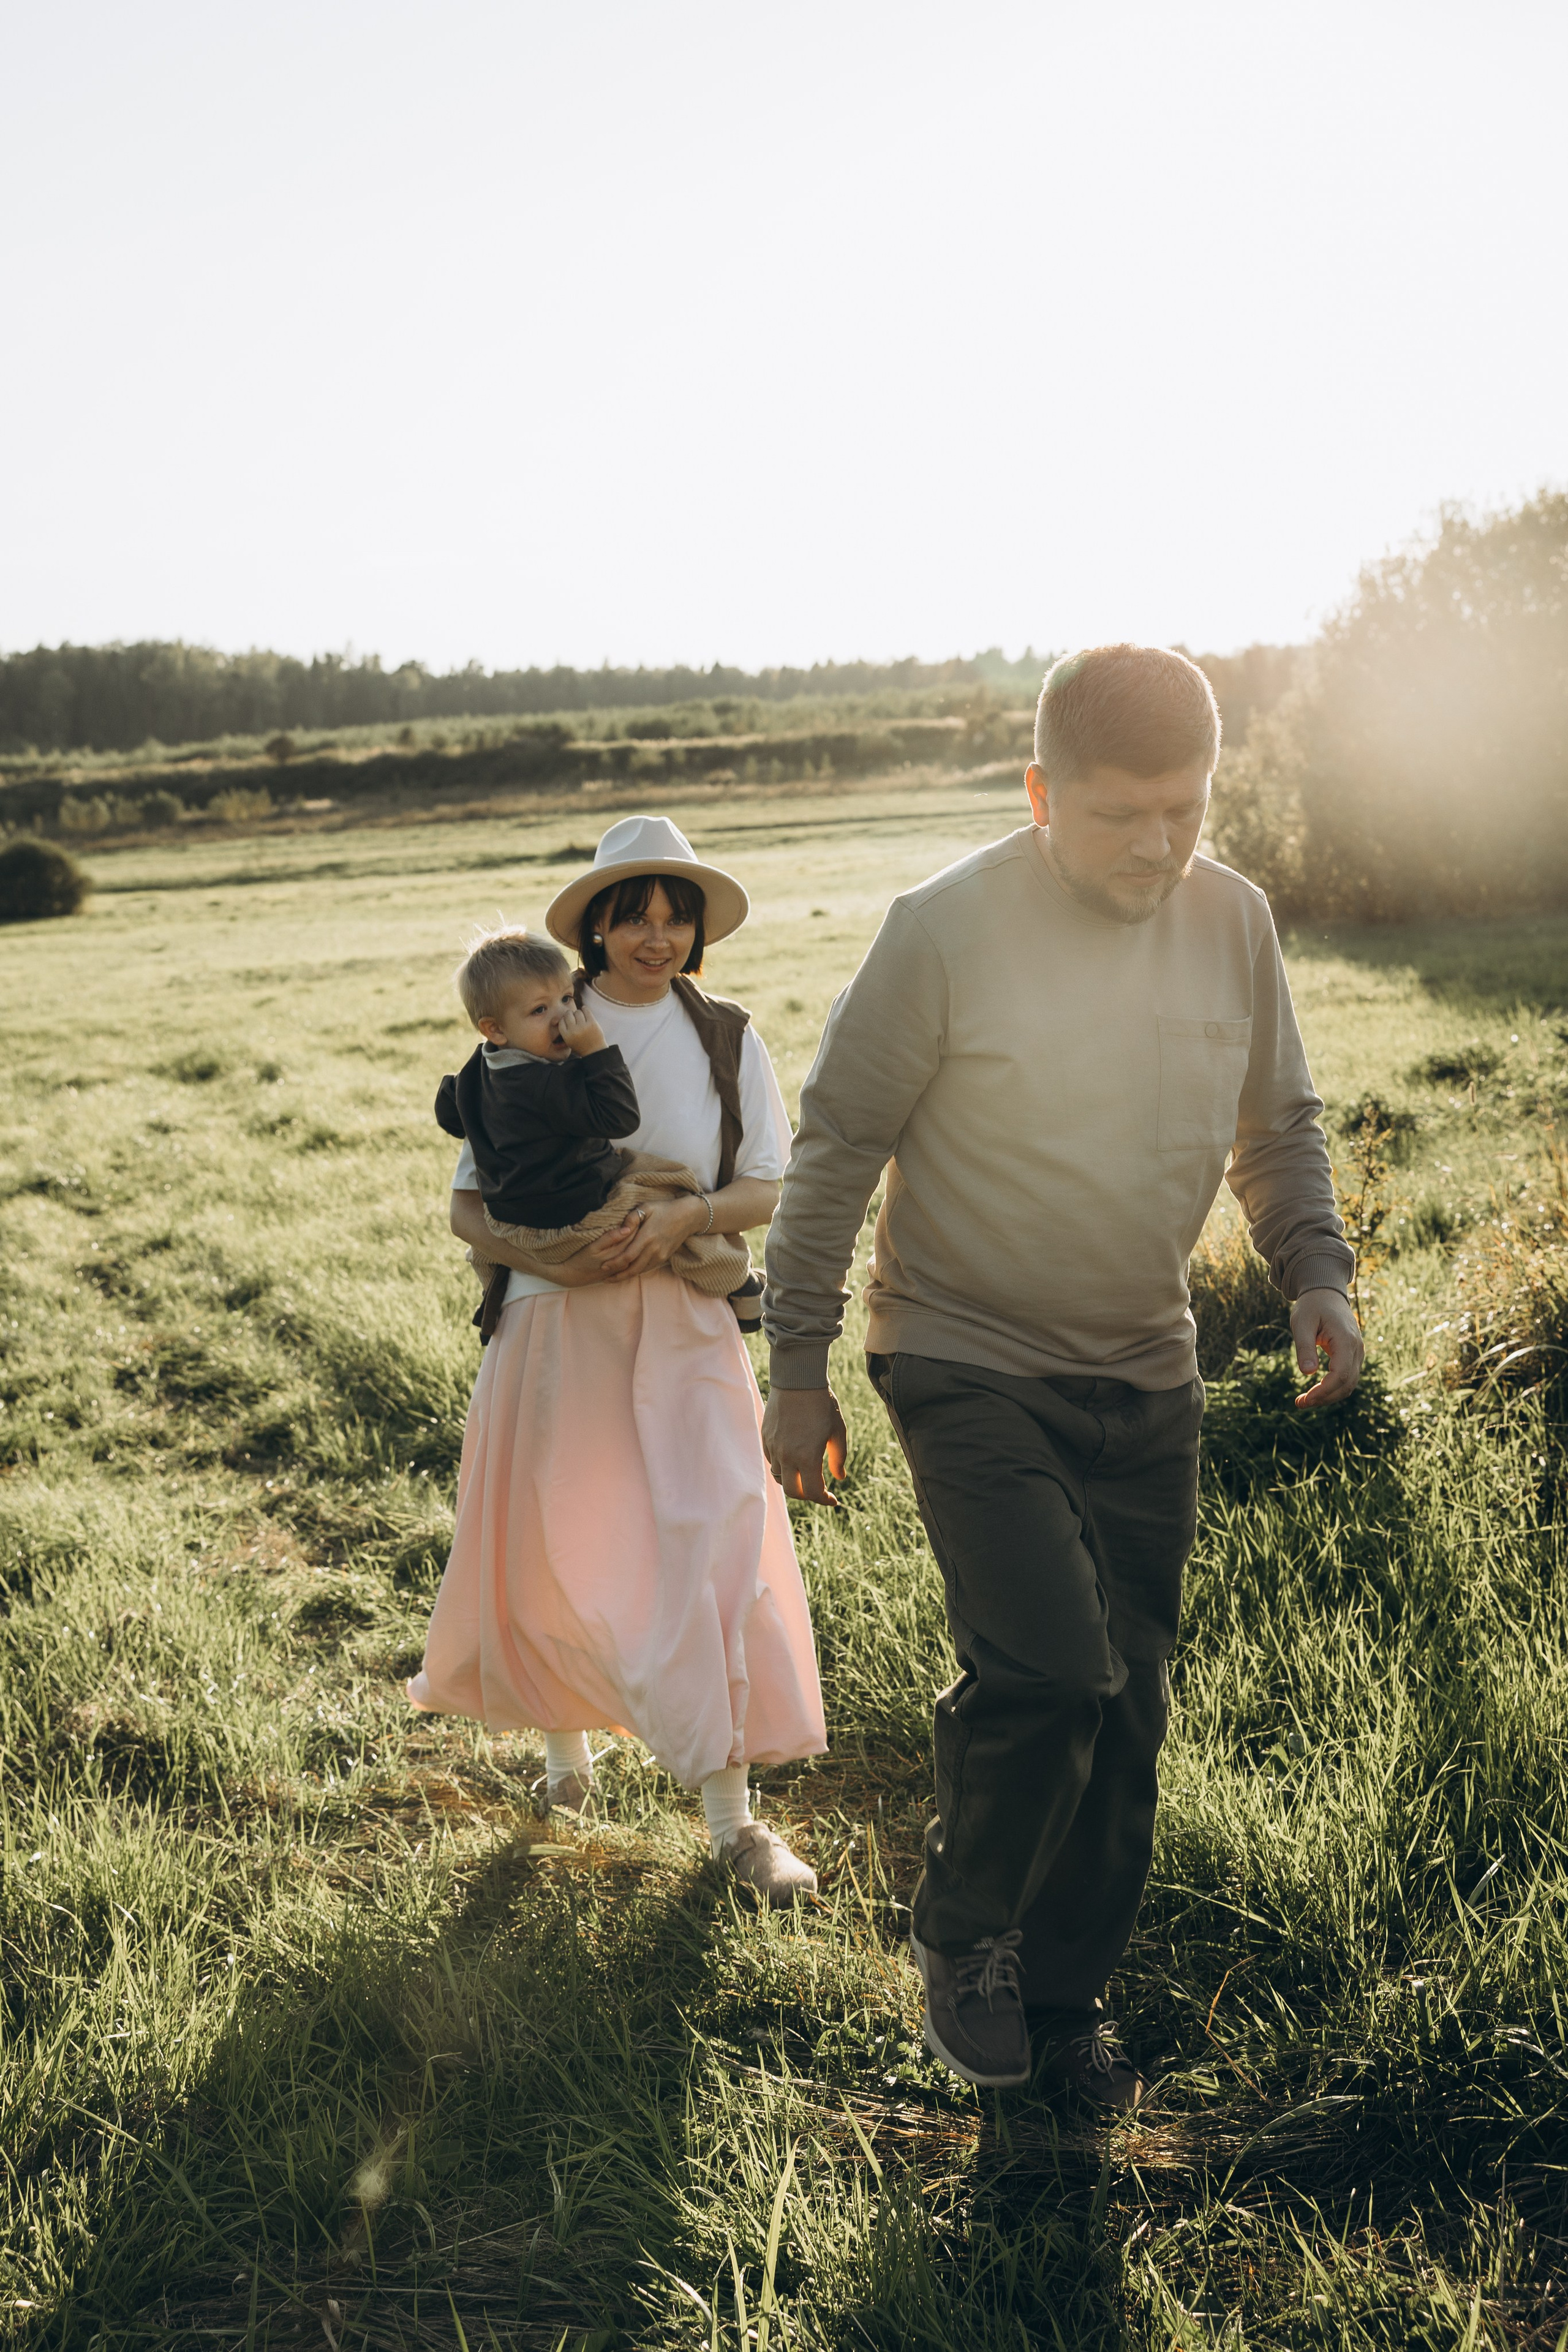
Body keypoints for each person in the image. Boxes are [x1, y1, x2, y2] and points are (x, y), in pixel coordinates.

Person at [761, 644, 1362, 2097]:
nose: (1158, 842)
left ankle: (1062, 1996)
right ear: (1039, 792)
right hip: (962, 1352)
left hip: (1145, 1373)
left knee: (1128, 1703)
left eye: (1186, 807)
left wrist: (1315, 1277)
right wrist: (796, 1361)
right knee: (1046, 1668)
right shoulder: (943, 930)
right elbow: (837, 1141)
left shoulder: (1230, 919)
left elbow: (1270, 1125)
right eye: (1117, 814)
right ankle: (963, 1933)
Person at [409, 813, 826, 1902]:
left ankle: (736, 1823)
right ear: (594, 925)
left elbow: (767, 1188)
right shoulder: (540, 1026)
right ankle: (565, 1766)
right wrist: (558, 1254)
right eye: (632, 914)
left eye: (674, 915)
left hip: (684, 1312)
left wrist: (681, 1222)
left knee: (714, 1534)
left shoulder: (729, 1037)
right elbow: (466, 1207)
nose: (655, 934)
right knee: (561, 1536)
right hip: (555, 1317)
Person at [433, 925, 753, 1316]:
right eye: (540, 1010)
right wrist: (595, 1051)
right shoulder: (548, 1083)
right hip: (582, 1217)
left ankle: (493, 1302)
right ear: (495, 1029)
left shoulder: (477, 1073)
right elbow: (619, 1117)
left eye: (567, 998)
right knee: (668, 1188)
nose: (563, 1017)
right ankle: (735, 1277)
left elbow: (448, 1113)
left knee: (483, 1254)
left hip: (512, 1228)